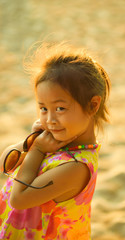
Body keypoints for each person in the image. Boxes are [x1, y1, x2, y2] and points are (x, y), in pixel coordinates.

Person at [0, 42, 111, 240]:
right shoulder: (55, 141)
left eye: (60, 108)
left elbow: (19, 199)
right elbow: (4, 165)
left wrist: (37, 151)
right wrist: (29, 143)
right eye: (43, 108)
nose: (50, 119)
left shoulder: (76, 167)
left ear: (93, 105)